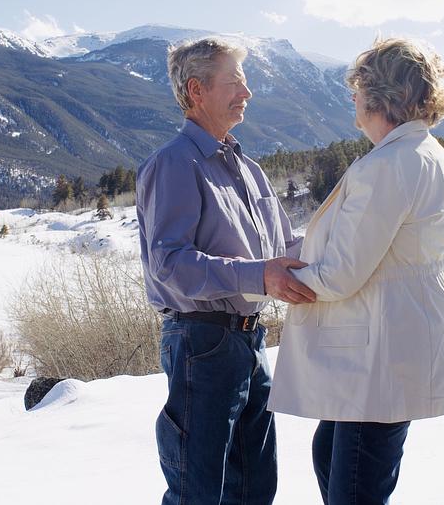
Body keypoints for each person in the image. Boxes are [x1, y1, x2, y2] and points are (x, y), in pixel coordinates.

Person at [268, 38, 444, 505]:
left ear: (380, 96)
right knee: (330, 455)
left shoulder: (387, 166)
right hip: (394, 342)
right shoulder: (427, 153)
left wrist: (278, 280)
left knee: (355, 486)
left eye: (358, 88)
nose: (352, 98)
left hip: (381, 355)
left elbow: (341, 272)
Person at [136, 36, 317, 505]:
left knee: (256, 489)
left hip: (251, 341)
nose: (247, 92)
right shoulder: (174, 164)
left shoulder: (249, 169)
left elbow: (284, 248)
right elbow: (170, 263)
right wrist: (259, 276)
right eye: (234, 81)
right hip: (202, 343)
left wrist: (348, 252)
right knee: (198, 495)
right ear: (196, 91)